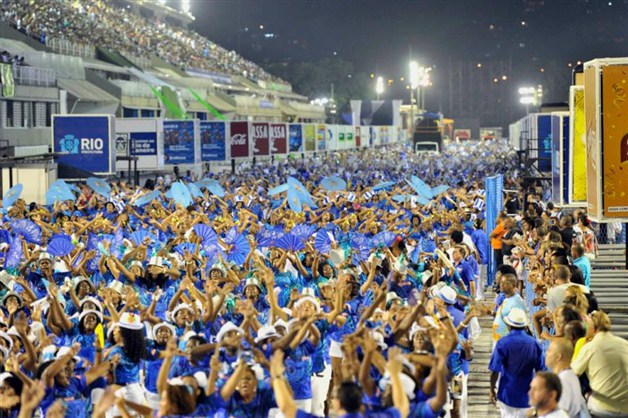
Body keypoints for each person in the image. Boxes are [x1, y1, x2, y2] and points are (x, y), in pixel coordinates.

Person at [571, 310, 628, 417]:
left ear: (593, 328)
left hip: (605, 408)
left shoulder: (590, 347)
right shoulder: (624, 343)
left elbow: (572, 373)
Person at [489, 308, 544, 418]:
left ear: (509, 326)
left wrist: (491, 389)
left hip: (507, 394)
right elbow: (541, 371)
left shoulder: (502, 343)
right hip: (528, 396)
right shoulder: (534, 343)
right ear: (524, 326)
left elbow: (495, 370)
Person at [544, 338, 590, 418]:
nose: (546, 353)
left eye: (549, 350)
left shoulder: (563, 381)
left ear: (558, 357)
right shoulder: (570, 376)